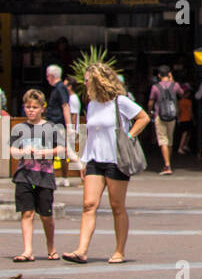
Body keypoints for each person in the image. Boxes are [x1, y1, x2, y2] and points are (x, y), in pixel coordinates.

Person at [62, 62, 150, 264]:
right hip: (95, 159)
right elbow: (91, 134)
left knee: (117, 206)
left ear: (97, 81)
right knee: (88, 204)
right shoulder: (92, 104)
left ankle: (119, 251)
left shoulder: (120, 102)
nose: (84, 84)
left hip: (116, 160)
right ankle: (81, 250)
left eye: (86, 80)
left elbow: (143, 117)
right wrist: (84, 160)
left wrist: (129, 136)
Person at [10, 89, 65, 262]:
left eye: (34, 107)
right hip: (24, 176)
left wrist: (44, 153)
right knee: (27, 213)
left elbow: (62, 149)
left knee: (46, 216)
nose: (31, 110)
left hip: (44, 176)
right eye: (28, 107)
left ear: (42, 108)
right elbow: (12, 149)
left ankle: (51, 247)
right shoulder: (19, 128)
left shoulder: (51, 128)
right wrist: (21, 151)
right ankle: (27, 250)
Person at [148, 65, 181, 175]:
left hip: (160, 115)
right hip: (172, 116)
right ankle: (168, 162)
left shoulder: (155, 87)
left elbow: (151, 102)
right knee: (169, 140)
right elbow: (181, 93)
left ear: (159, 75)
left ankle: (167, 165)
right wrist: (173, 80)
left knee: (163, 140)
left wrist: (149, 111)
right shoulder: (175, 85)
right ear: (169, 74)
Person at [43, 64, 71, 134]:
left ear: (52, 76)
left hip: (58, 126)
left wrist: (69, 127)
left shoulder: (61, 87)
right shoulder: (55, 88)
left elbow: (65, 106)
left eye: (47, 76)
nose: (47, 79)